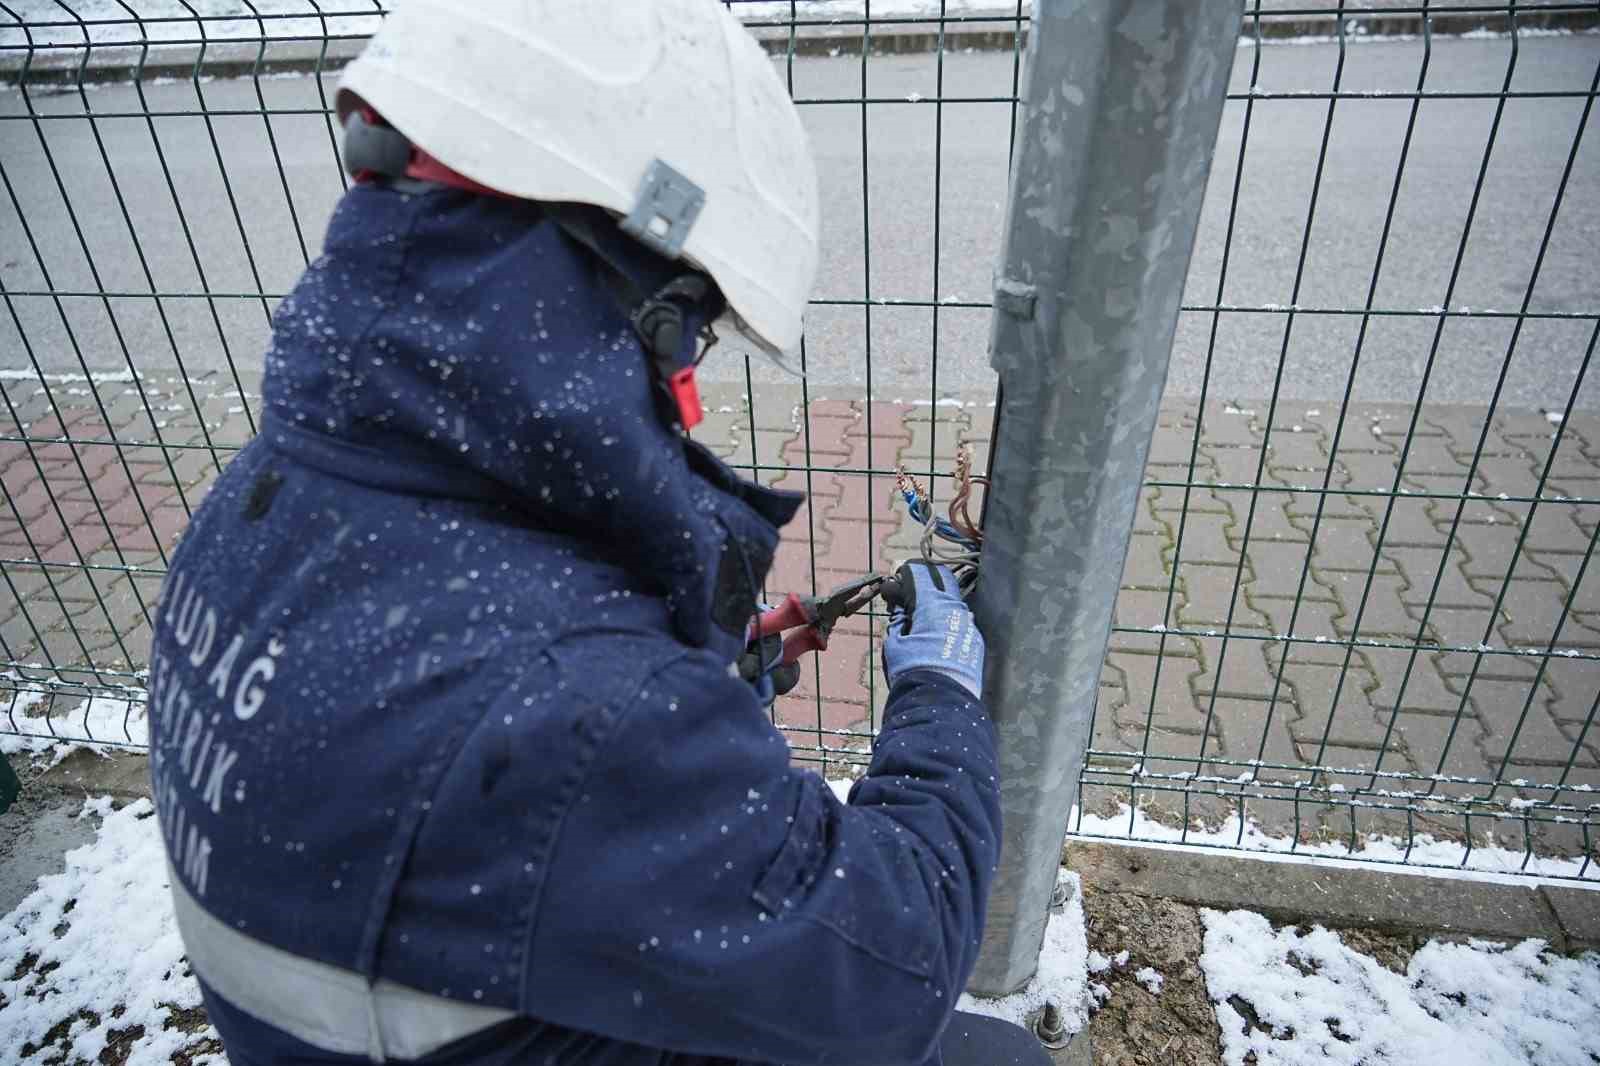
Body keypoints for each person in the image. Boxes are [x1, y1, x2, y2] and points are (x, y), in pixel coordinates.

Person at [147, 2, 1023, 1063]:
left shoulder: (259, 509)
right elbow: (896, 964)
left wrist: (716, 675)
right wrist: (939, 703)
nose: (685, 381)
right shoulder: (587, 712)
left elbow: (464, 755)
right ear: (619, 280)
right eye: (691, 328)